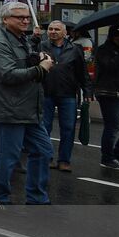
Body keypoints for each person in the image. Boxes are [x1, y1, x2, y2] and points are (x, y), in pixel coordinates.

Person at [0, 3, 54, 204]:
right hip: (10, 109)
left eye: (27, 17)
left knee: (43, 151)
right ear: (5, 19)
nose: (25, 20)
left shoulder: (23, 40)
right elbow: (8, 74)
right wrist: (40, 69)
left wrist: (40, 58)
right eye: (19, 17)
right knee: (9, 157)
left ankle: (37, 198)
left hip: (31, 109)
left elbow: (27, 64)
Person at [41, 20, 90, 173]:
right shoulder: (41, 46)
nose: (53, 31)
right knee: (44, 128)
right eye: (50, 29)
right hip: (46, 92)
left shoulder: (75, 49)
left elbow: (82, 72)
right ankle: (46, 158)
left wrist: (87, 90)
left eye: (56, 29)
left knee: (68, 128)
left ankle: (64, 160)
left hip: (68, 94)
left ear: (65, 33)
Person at [95, 23, 119, 170]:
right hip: (109, 93)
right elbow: (110, 67)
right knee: (112, 126)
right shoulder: (104, 50)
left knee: (114, 126)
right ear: (114, 36)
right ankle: (107, 157)